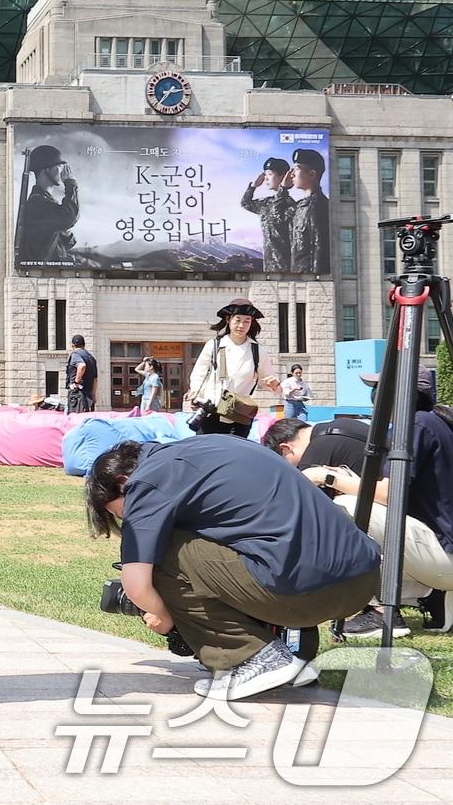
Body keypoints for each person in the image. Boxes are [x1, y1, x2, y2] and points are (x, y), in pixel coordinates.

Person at [85, 436, 380, 700]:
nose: (127, 519)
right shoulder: (210, 446)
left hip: (306, 591)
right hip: (362, 580)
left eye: (118, 513)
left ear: (123, 482)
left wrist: (163, 616)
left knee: (161, 554)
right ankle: (290, 656)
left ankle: (254, 658)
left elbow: (136, 584)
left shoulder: (146, 482)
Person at [265, 372, 453, 636]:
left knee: (346, 507)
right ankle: (433, 596)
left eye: (380, 389)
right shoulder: (432, 423)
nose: (375, 399)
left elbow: (390, 494)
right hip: (441, 550)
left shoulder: (416, 425)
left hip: (444, 556)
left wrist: (327, 477)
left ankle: (382, 611)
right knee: (357, 504)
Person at [186, 298, 279, 436]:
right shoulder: (213, 345)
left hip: (239, 416)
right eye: (237, 320)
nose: (241, 325)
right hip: (211, 411)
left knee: (235, 455)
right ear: (229, 320)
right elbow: (199, 373)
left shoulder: (258, 351)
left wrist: (273, 384)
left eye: (247, 321)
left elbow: (268, 380)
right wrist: (195, 394)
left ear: (252, 323)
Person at [17, 145, 79, 264]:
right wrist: (71, 184)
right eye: (59, 166)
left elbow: (65, 244)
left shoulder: (45, 202)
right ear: (46, 169)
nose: (62, 171)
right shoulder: (37, 203)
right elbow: (70, 217)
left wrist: (66, 235)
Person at [239, 157, 294, 273]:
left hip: (287, 266)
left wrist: (283, 189)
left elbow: (277, 214)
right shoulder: (266, 203)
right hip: (269, 265)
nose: (266, 178)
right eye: (265, 174)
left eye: (269, 174)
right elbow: (245, 204)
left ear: (282, 176)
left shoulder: (290, 205)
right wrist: (253, 187)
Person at [286, 148, 330, 275]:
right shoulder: (301, 206)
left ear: (312, 174)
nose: (292, 174)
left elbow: (320, 250)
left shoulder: (319, 206)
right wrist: (283, 188)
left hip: (308, 280)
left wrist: (316, 281)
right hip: (297, 276)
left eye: (296, 169)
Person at [66, 334, 98, 413]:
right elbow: (95, 379)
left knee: (75, 420)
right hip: (89, 396)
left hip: (77, 395)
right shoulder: (91, 357)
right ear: (84, 345)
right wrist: (93, 395)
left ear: (73, 345)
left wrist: (76, 382)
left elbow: (82, 365)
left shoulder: (75, 355)